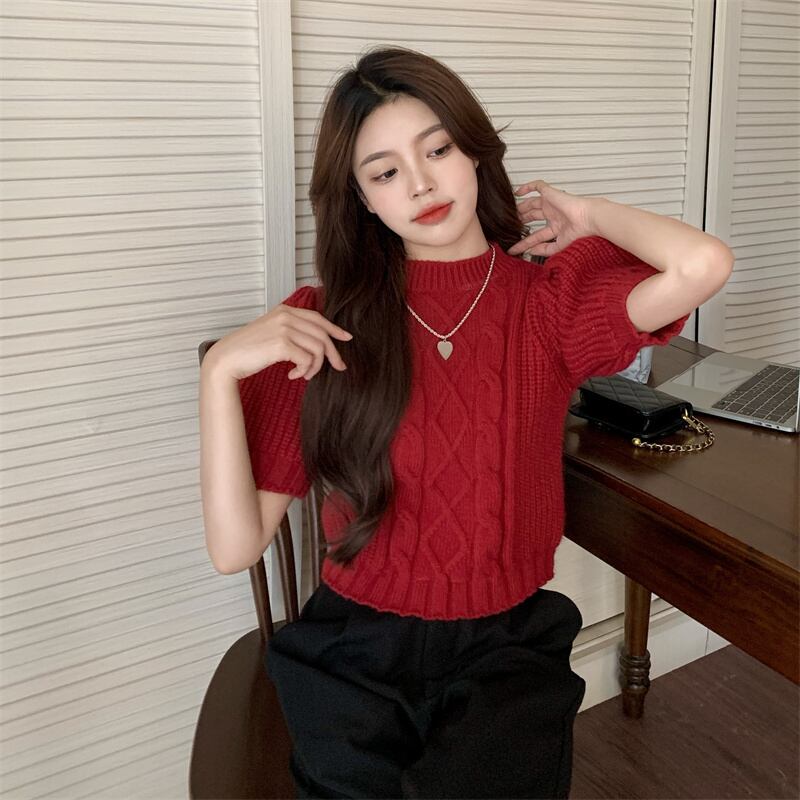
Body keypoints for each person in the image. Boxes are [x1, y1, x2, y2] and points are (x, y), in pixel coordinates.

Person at [199, 46, 734, 799]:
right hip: (354, 654)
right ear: (362, 200)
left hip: (504, 652)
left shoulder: (546, 305)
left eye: (438, 150)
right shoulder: (323, 326)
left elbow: (702, 264)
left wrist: (586, 216)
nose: (420, 184)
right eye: (385, 172)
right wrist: (219, 374)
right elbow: (235, 548)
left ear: (475, 152)